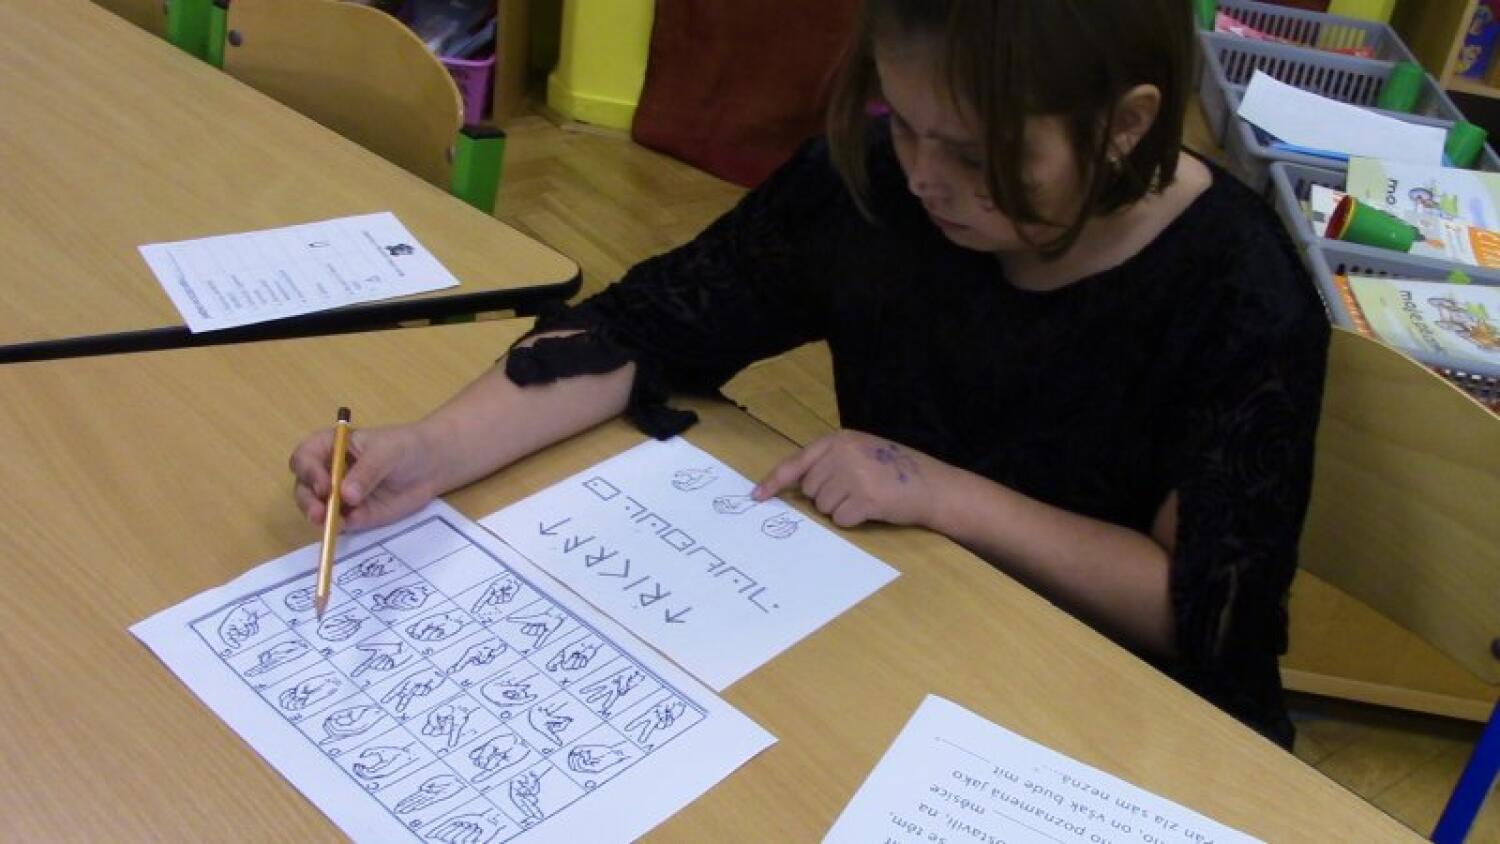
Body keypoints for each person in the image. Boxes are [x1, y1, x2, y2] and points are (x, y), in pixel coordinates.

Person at [290, 0, 1328, 748]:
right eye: (906, 124)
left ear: (1124, 126)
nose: (926, 177)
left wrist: (940, 493)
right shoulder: (876, 184)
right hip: (897, 643)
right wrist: (429, 450)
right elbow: (641, 329)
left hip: (1118, 726)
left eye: (975, 155)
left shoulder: (1238, 290)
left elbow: (1204, 617)